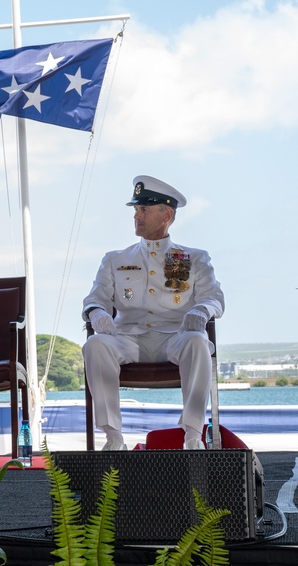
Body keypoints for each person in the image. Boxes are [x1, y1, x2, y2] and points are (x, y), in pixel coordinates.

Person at [82, 176, 224, 451]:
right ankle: (113, 438)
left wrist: (201, 310)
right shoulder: (116, 259)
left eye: (144, 209)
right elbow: (94, 299)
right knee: (95, 344)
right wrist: (97, 313)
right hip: (129, 339)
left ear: (166, 215)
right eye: (136, 209)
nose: (136, 215)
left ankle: (192, 435)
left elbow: (214, 297)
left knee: (198, 341)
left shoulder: (193, 257)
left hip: (175, 338)